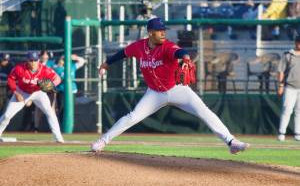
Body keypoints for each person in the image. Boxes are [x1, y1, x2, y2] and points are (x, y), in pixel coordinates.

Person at [91, 18, 250, 154]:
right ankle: (102, 142)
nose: (163, 33)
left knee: (204, 112)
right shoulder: (139, 46)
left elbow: (179, 52)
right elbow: (123, 53)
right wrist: (106, 64)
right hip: (154, 93)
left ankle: (231, 142)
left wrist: (186, 57)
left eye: (164, 30)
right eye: (159, 30)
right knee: (132, 117)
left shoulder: (167, 46)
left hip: (177, 89)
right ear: (150, 32)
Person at [0, 51, 64, 142]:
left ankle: (58, 137)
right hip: (22, 92)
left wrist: (51, 85)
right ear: (27, 60)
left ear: (38, 60)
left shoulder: (44, 69)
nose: (33, 62)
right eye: (31, 60)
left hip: (38, 93)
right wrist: (16, 92)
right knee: (7, 115)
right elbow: (11, 79)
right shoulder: (19, 69)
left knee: (50, 112)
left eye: (35, 60)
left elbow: (57, 78)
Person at [277, 36, 300, 141]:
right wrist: (280, 85)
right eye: (298, 42)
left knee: (299, 111)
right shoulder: (288, 55)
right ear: (295, 43)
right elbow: (281, 70)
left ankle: (298, 134)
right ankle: (281, 133)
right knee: (287, 110)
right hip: (290, 87)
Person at [53, 54, 85, 123]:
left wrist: (74, 57)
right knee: (61, 108)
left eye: (66, 59)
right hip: (61, 91)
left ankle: (70, 126)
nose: (64, 61)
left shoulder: (72, 66)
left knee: (70, 109)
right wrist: (61, 60)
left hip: (72, 91)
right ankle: (61, 125)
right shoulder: (58, 68)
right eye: (63, 60)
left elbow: (82, 61)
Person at [32, 50, 56, 132]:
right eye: (43, 55)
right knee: (38, 108)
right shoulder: (36, 63)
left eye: (46, 55)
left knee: (51, 108)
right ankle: (36, 127)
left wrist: (51, 86)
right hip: (38, 87)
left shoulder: (51, 64)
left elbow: (55, 76)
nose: (45, 56)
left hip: (48, 87)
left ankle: (54, 128)